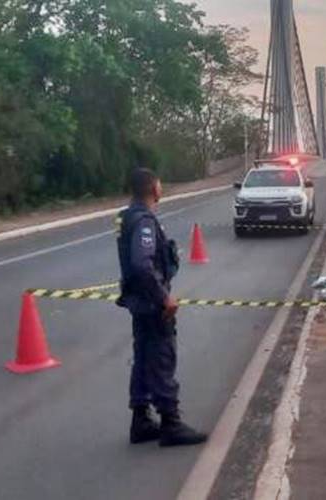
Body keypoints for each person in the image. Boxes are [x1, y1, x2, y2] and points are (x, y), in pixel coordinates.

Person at [116, 168, 208, 447]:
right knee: (162, 357)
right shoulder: (144, 221)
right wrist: (163, 297)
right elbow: (142, 265)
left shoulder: (129, 216)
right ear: (154, 189)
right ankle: (170, 423)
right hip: (152, 304)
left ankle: (141, 420)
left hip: (139, 304)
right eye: (159, 184)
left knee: (143, 358)